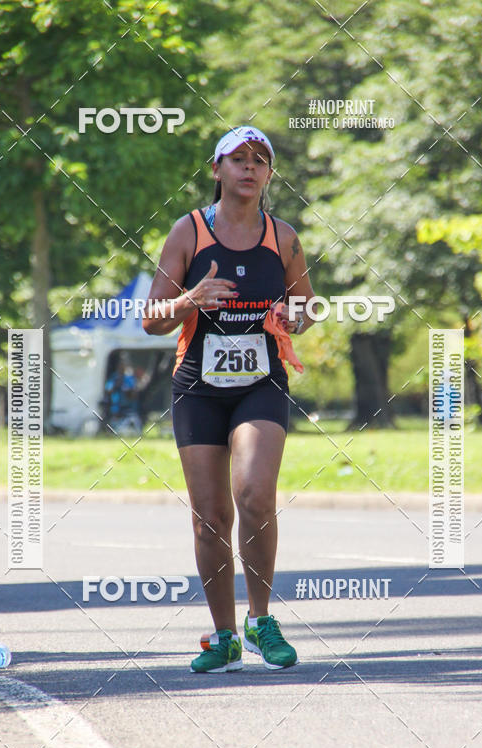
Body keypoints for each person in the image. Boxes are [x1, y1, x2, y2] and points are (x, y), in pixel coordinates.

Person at [143, 125, 316, 673]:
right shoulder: (189, 232)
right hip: (198, 387)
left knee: (255, 496)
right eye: (238, 159)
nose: (249, 168)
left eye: (259, 160)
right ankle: (224, 637)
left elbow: (308, 307)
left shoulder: (283, 237)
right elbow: (151, 319)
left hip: (260, 383)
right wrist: (190, 300)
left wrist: (294, 317)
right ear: (216, 169)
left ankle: (261, 621)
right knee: (210, 516)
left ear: (269, 174)